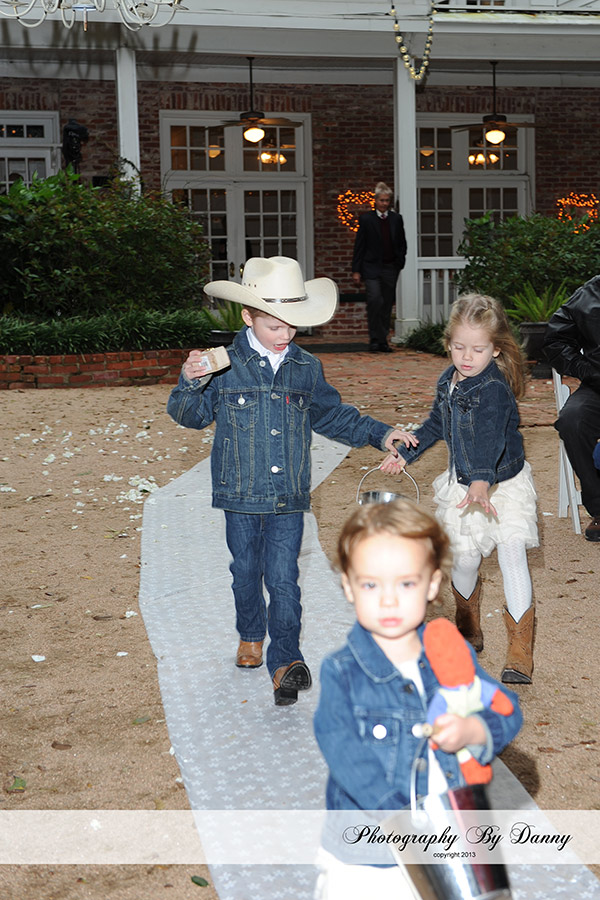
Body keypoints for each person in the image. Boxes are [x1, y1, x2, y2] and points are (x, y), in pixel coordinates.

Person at [167, 256, 408, 706]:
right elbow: (189, 416)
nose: (285, 334)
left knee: (283, 579)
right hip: (240, 492)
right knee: (245, 572)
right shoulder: (222, 366)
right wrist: (190, 381)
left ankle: (285, 662)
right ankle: (250, 633)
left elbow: (333, 416)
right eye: (275, 325)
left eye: (292, 325)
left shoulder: (305, 367)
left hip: (288, 496)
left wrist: (381, 434)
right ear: (248, 317)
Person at [313, 500, 522, 898]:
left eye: (406, 583)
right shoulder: (342, 672)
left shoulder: (450, 655)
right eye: (371, 584)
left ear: (432, 584)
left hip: (450, 837)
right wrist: (401, 819)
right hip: (370, 855)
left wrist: (475, 729)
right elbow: (344, 754)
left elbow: (507, 710)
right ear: (348, 586)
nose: (388, 599)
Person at [381, 293, 539, 684]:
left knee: (512, 552)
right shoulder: (448, 381)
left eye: (478, 349)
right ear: (448, 343)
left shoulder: (494, 389)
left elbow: (492, 438)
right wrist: (406, 453)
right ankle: (468, 624)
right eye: (459, 347)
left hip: (502, 483)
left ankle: (520, 651)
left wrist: (483, 480)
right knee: (465, 558)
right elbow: (437, 424)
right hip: (464, 484)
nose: (467, 357)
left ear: (495, 349)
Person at [542, 275, 600, 542]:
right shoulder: (591, 293)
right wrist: (589, 372)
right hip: (597, 387)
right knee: (572, 420)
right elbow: (555, 341)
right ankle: (599, 507)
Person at [351, 181, 407, 353]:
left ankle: (383, 341)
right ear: (375, 201)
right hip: (371, 267)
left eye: (386, 200)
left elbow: (401, 242)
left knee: (386, 304)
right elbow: (359, 245)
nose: (384, 203)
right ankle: (374, 339)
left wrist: (399, 262)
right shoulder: (366, 219)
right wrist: (356, 270)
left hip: (390, 267)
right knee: (375, 300)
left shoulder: (396, 219)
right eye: (381, 200)